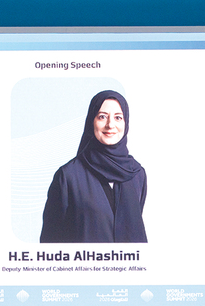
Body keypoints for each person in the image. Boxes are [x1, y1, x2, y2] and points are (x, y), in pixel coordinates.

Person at [40, 90, 147, 243]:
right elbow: (50, 242)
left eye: (118, 117)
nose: (110, 125)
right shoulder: (68, 176)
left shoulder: (137, 174)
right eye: (102, 116)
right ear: (92, 121)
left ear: (126, 123)